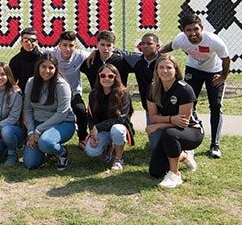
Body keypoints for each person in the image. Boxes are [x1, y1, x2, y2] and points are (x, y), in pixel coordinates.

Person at [161, 14, 229, 159]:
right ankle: (191, 135)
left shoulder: (214, 40)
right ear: (183, 31)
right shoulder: (181, 39)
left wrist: (223, 76)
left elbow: (226, 58)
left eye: (195, 29)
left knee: (216, 106)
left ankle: (215, 144)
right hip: (194, 70)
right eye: (188, 30)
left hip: (214, 72)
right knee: (188, 104)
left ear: (202, 28)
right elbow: (170, 47)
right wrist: (156, 52)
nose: (192, 33)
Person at [146, 54, 203, 188]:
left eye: (169, 67)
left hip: (192, 131)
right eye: (161, 67)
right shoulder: (152, 88)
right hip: (170, 130)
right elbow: (153, 117)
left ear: (176, 70)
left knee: (170, 133)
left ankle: (174, 174)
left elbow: (183, 122)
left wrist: (159, 125)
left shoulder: (184, 89)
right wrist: (171, 119)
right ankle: (184, 156)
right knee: (155, 172)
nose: (164, 71)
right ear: (156, 70)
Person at [23, 53, 76, 171]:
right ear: (38, 67)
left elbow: (62, 113)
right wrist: (31, 132)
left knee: (46, 142)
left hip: (62, 123)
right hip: (38, 124)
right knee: (30, 163)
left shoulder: (62, 85)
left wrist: (38, 130)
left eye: (51, 67)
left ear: (56, 69)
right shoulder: (31, 82)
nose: (47, 71)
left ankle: (62, 153)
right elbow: (27, 109)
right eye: (43, 67)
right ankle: (47, 150)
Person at [84, 64, 134, 171]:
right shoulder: (93, 94)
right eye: (103, 75)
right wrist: (92, 130)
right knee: (91, 151)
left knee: (117, 130)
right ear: (99, 77)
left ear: (115, 77)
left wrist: (97, 128)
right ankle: (109, 146)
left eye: (110, 76)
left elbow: (121, 119)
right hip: (101, 130)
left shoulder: (123, 93)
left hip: (118, 128)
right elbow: (90, 115)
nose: (106, 78)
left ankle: (118, 158)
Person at [50, 30, 90, 148]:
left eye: (71, 45)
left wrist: (93, 54)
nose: (68, 49)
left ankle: (82, 137)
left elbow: (97, 54)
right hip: (55, 93)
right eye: (65, 45)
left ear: (75, 46)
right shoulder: (51, 54)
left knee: (81, 111)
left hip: (74, 93)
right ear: (59, 46)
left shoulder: (80, 55)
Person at [9, 27, 42, 93]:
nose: (29, 43)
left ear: (36, 42)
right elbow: (12, 83)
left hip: (40, 92)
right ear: (21, 42)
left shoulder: (42, 59)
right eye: (26, 40)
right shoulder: (15, 60)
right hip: (22, 94)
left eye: (32, 40)